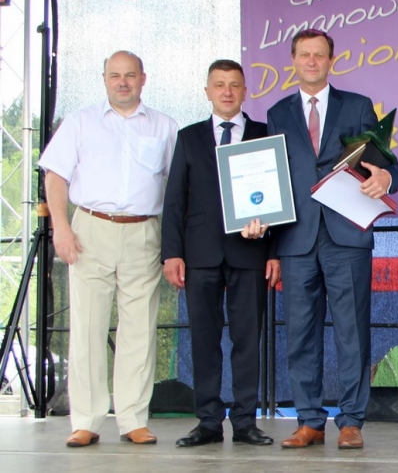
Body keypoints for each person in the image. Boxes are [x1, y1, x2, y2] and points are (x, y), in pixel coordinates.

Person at [266, 29, 398, 449]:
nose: (311, 61)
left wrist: (385, 177)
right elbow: (272, 179)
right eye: (304, 54)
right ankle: (309, 420)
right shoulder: (277, 113)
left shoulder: (357, 106)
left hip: (347, 235)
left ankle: (351, 421)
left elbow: (385, 160)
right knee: (300, 334)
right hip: (295, 240)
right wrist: (269, 243)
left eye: (319, 55)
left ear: (331, 61)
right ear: (293, 60)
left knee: (352, 332)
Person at [39, 51, 178, 447]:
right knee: (87, 326)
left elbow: (179, 186)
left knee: (140, 328)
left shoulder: (165, 126)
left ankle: (133, 418)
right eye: (115, 75)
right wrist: (61, 227)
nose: (122, 82)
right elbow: (55, 176)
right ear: (103, 78)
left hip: (144, 230)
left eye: (130, 75)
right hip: (89, 229)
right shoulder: (80, 122)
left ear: (143, 78)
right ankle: (86, 419)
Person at [161, 60, 281, 447]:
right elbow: (174, 201)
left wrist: (274, 250)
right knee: (204, 341)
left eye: (234, 85)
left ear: (246, 91)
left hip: (251, 254)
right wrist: (172, 253)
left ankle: (245, 422)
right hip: (200, 255)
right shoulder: (189, 137)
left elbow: (281, 198)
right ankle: (209, 422)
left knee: (248, 342)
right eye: (219, 84)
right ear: (208, 91)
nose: (227, 91)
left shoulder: (266, 135)